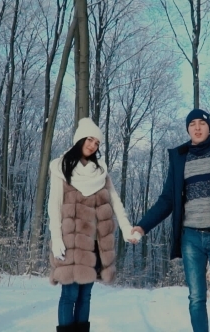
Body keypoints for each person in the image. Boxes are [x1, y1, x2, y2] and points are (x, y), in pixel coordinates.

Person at [132, 109, 210, 332]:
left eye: (202, 123)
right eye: (192, 124)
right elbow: (167, 199)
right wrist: (142, 225)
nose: (197, 128)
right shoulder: (180, 157)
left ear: (209, 126)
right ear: (188, 128)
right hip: (191, 239)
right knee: (196, 298)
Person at [48, 117, 141, 332]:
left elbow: (116, 202)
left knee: (85, 295)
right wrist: (56, 238)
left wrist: (127, 229)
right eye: (90, 140)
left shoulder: (101, 173)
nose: (93, 145)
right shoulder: (61, 168)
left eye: (97, 143)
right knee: (69, 294)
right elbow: (54, 205)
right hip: (69, 241)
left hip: (94, 244)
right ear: (80, 139)